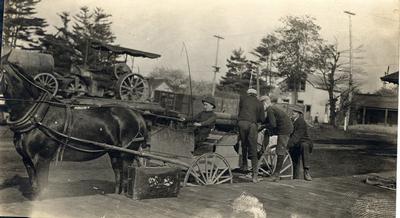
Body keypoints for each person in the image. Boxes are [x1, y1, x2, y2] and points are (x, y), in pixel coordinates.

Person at [259, 95, 293, 182]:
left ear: (265, 103)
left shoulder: (270, 109)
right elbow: (267, 120)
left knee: (280, 151)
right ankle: (262, 151)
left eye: (261, 106)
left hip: (285, 129)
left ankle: (276, 175)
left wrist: (262, 126)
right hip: (281, 128)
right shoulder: (272, 109)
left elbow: (272, 124)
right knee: (266, 133)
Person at [237, 88, 265, 183]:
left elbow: (239, 112)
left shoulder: (243, 99)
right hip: (252, 125)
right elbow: (262, 118)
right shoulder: (260, 103)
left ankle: (244, 165)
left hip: (241, 123)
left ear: (248, 93)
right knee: (253, 149)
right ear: (256, 94)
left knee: (244, 145)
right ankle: (255, 176)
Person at [288, 106, 313, 181]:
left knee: (304, 146)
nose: (293, 113)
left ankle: (306, 171)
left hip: (304, 141)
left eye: (295, 112)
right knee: (294, 158)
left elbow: (297, 135)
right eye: (293, 111)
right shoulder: (292, 120)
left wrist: (288, 145)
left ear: (299, 114)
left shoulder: (301, 121)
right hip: (296, 142)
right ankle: (295, 177)